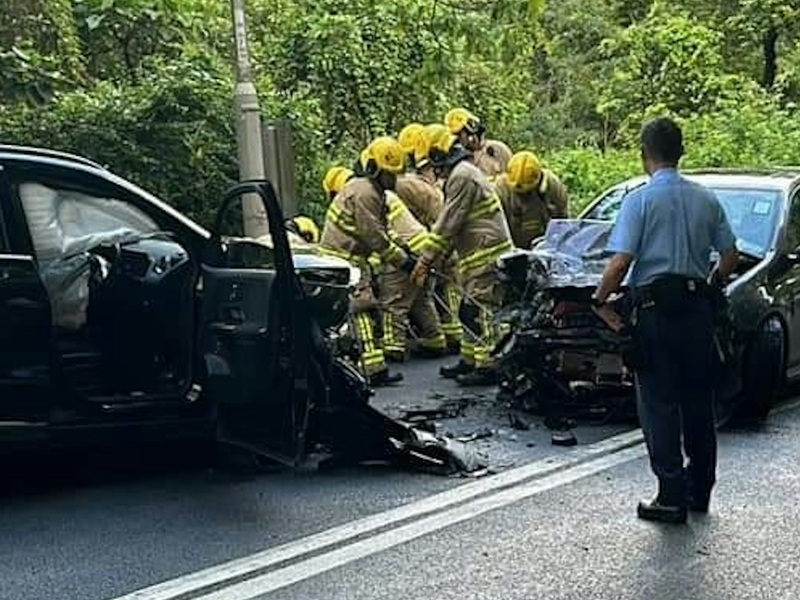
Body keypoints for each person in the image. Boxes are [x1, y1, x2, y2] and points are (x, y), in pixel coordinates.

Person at [593, 117, 738, 524]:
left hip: (656, 315)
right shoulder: (706, 199)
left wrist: (599, 299)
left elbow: (621, 261)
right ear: (682, 152)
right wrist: (710, 284)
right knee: (697, 402)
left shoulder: (639, 201)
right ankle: (700, 491)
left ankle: (670, 496)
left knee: (658, 404)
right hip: (696, 315)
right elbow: (729, 256)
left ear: (645, 154)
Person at [411, 124, 513, 386]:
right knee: (468, 310)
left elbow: (447, 223)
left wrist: (424, 261)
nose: (434, 169)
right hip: (476, 254)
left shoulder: (462, 176)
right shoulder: (461, 173)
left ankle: (490, 365)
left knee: (481, 312)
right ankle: (470, 360)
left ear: (438, 155)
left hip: (485, 255)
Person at [319, 138, 413, 387]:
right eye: (389, 174)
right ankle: (373, 369)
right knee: (361, 306)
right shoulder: (365, 193)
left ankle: (370, 366)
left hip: (349, 256)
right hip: (344, 259)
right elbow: (375, 238)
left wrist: (404, 249)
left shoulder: (371, 191)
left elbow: (380, 231)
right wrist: (404, 262)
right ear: (374, 169)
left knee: (361, 307)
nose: (394, 180)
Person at [380, 191, 446, 361]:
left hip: (407, 251)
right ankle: (435, 340)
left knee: (394, 301)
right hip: (424, 247)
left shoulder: (367, 199)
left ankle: (393, 346)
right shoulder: (384, 194)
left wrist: (403, 260)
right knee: (421, 299)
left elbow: (384, 235)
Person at [495, 151, 569, 249]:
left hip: (546, 248)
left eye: (527, 192)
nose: (523, 198)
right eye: (518, 193)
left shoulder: (553, 187)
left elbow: (563, 221)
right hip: (513, 250)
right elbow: (495, 230)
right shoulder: (499, 191)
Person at [444, 108, 512, 178]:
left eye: (459, 134)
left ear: (470, 130)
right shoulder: (456, 159)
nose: (457, 139)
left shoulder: (500, 150)